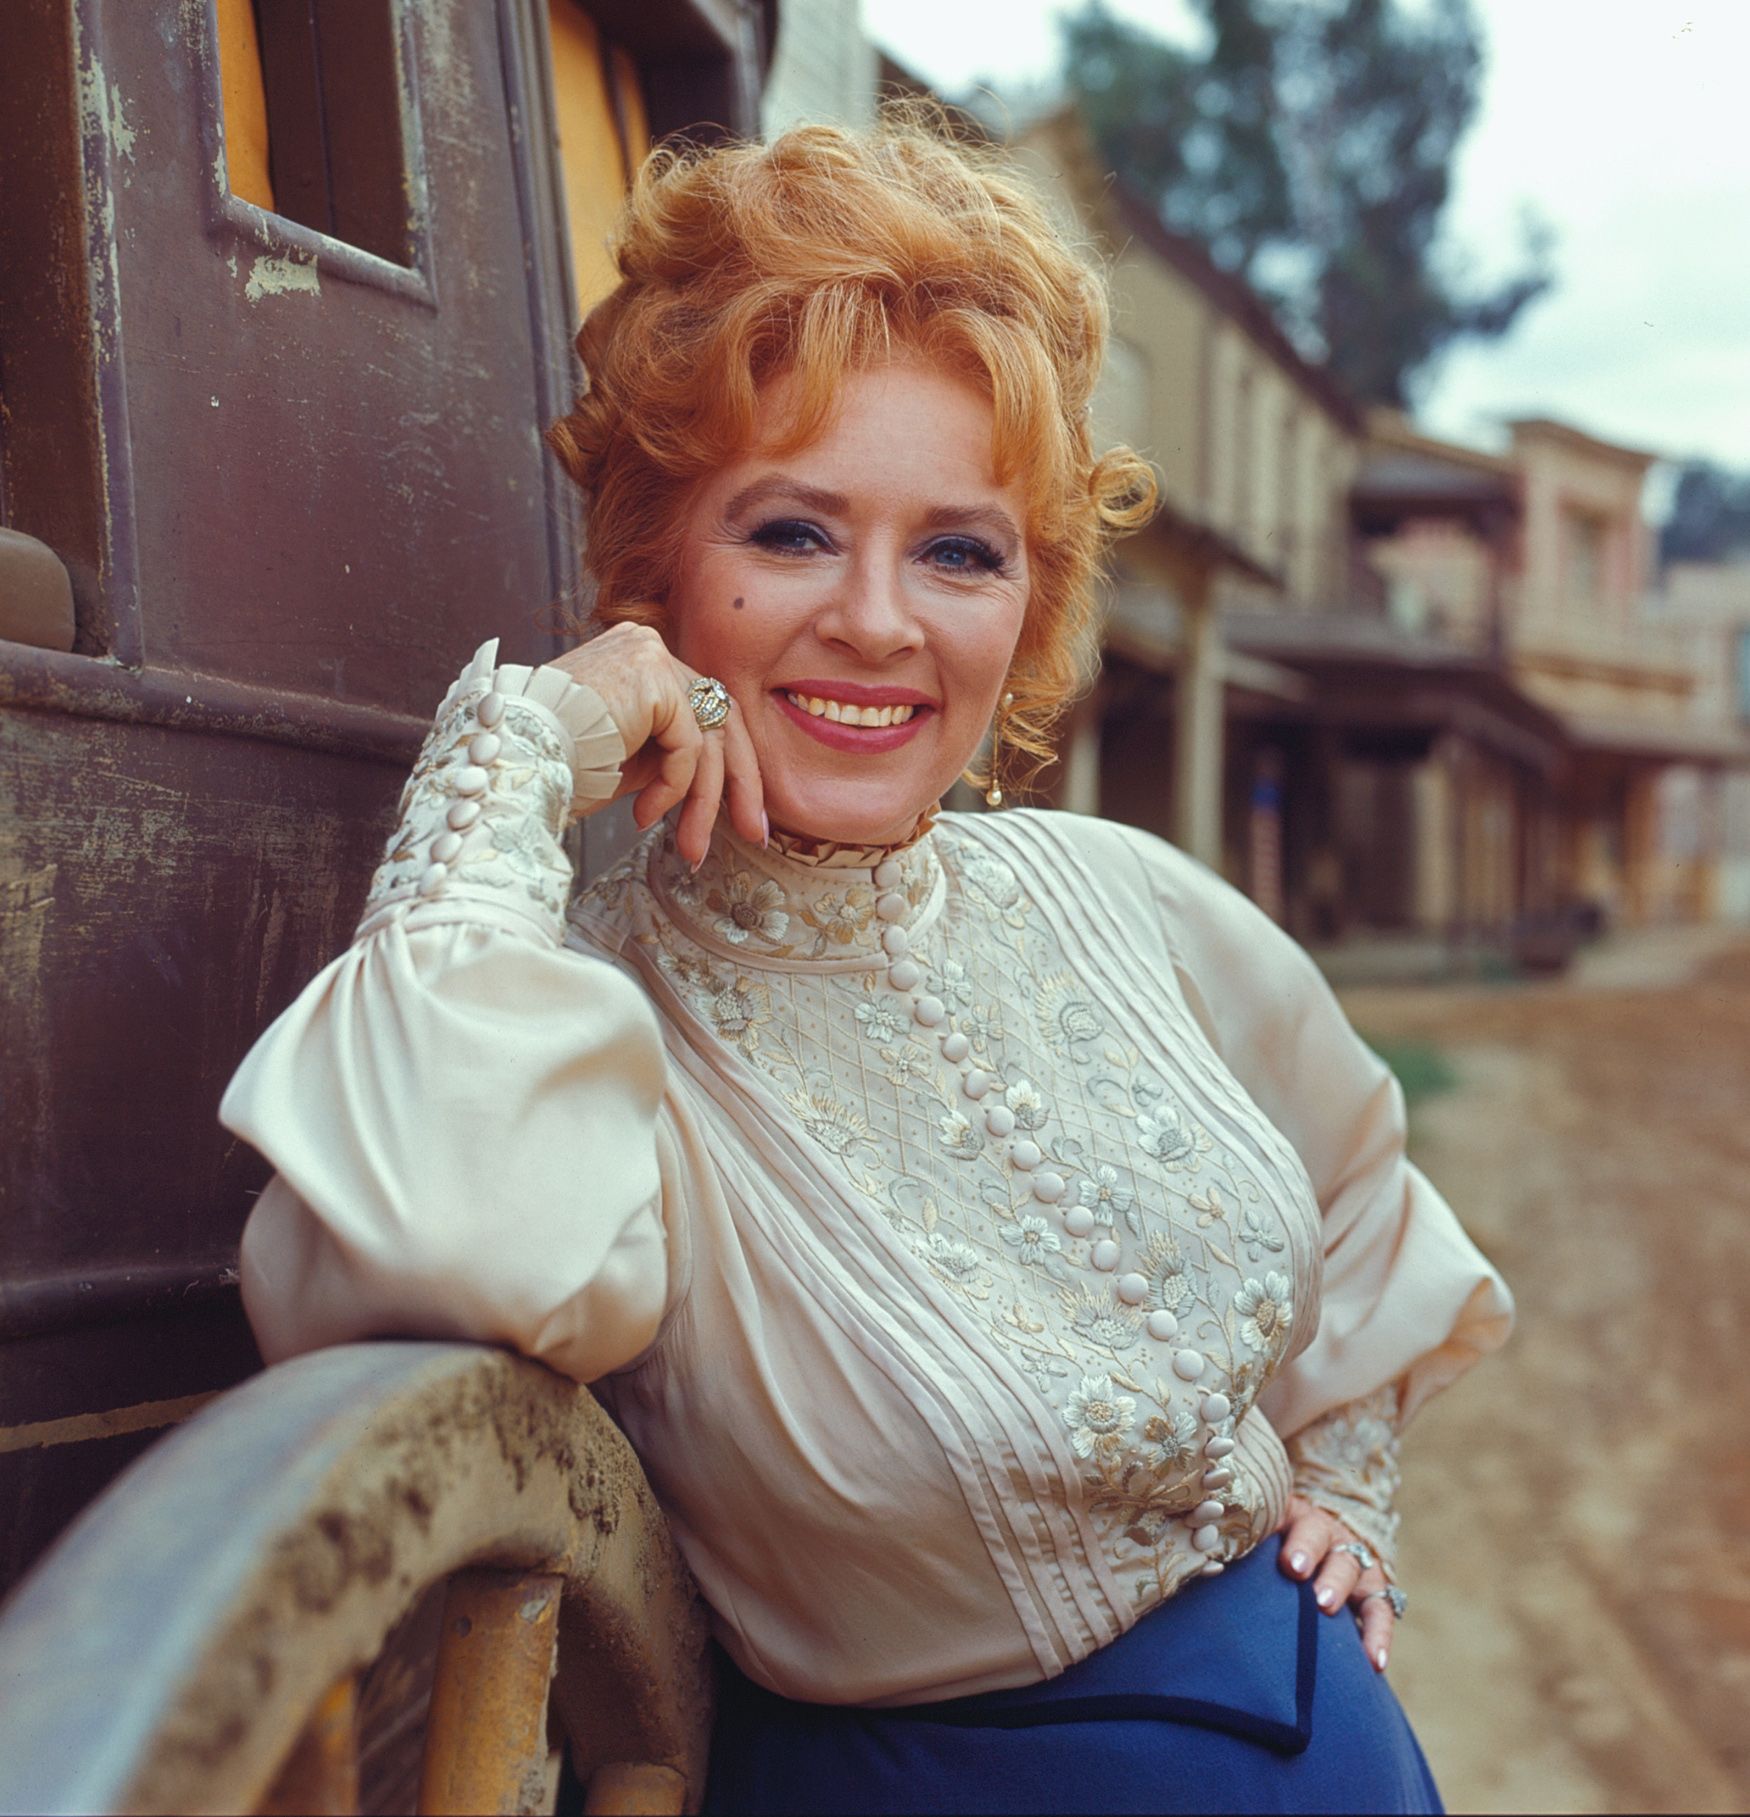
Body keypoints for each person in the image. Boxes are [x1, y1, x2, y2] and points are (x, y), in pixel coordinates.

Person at [222, 113, 1512, 1814]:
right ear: (655, 569)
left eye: (958, 550)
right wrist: (523, 745)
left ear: (1025, 601)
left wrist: (1346, 1487)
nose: (883, 622)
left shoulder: (1128, 901)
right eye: (792, 534)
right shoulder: (590, 1008)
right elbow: (437, 1239)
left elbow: (1356, 1201)